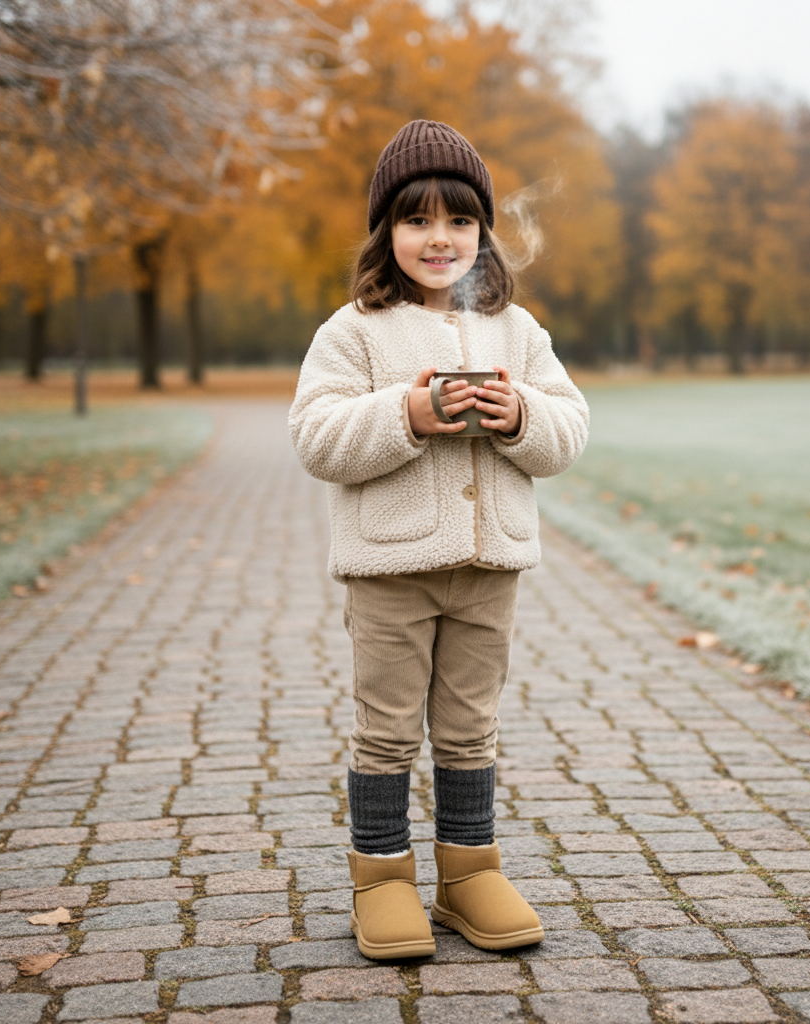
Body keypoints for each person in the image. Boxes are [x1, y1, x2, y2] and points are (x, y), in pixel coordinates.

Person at [288, 120, 589, 960]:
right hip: (390, 570)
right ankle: (381, 878)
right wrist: (407, 414)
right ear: (386, 231)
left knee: (469, 728)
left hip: (490, 569)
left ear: (483, 232)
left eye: (459, 221)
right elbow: (315, 437)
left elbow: (570, 427)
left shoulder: (516, 331)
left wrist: (522, 415)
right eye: (417, 220)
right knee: (386, 730)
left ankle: (468, 874)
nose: (439, 238)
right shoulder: (353, 332)